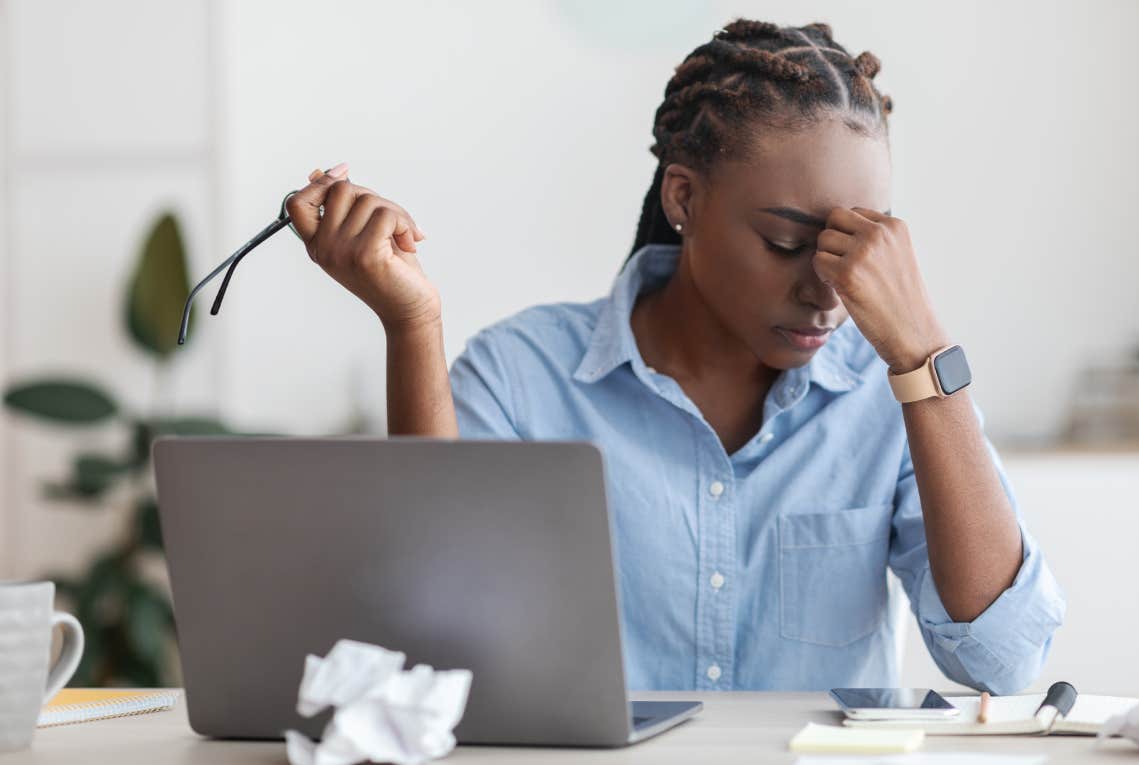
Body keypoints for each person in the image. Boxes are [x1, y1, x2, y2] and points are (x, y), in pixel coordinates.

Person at [284, 18, 1064, 694]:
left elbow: (1004, 657)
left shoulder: (888, 392)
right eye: (789, 243)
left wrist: (925, 351)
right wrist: (411, 324)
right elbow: (428, 635)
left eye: (857, 251)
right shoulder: (524, 377)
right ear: (684, 197)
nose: (828, 293)